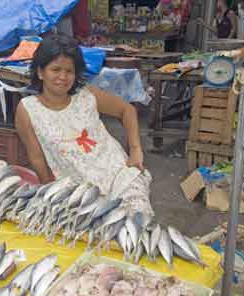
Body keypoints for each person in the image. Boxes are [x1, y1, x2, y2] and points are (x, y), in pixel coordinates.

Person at [15, 34, 153, 219]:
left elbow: (127, 110)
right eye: (55, 69)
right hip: (77, 192)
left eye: (69, 71)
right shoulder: (28, 109)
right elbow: (37, 159)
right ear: (40, 72)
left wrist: (136, 150)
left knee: (136, 225)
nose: (63, 77)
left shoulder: (86, 95)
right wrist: (50, 194)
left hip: (120, 177)